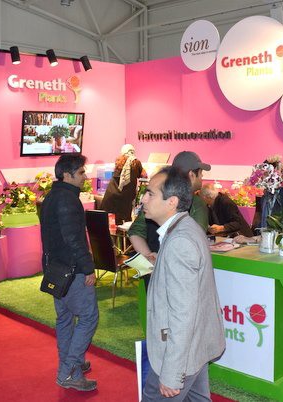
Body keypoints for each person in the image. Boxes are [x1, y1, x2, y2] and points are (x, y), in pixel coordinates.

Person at [140, 166, 225, 400]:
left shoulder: (180, 241)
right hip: (194, 346)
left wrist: (172, 373)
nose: (143, 199)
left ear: (172, 202)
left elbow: (182, 314)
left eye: (150, 194)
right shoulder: (185, 228)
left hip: (179, 354)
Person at [39, 154, 98, 392]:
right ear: (67, 175)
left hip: (56, 269)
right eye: (81, 172)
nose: (85, 176)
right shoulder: (67, 199)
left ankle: (71, 364)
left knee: (64, 318)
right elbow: (74, 239)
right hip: (72, 271)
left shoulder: (53, 196)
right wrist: (88, 268)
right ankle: (69, 371)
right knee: (88, 317)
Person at [128, 151, 209, 267]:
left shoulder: (158, 198)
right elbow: (196, 241)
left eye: (150, 194)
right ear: (192, 175)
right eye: (200, 173)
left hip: (158, 268)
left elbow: (135, 231)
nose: (202, 177)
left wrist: (150, 258)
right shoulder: (197, 204)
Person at [100, 144, 147, 224]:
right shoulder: (136, 162)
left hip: (111, 195)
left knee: (109, 223)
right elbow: (144, 175)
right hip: (125, 199)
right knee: (124, 224)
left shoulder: (118, 161)